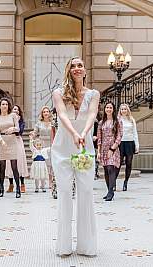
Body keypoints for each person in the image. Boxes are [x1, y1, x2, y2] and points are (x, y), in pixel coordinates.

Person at [51, 56, 100, 257]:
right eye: (73, 66)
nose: (77, 68)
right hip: (63, 147)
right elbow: (62, 115)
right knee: (64, 193)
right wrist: (73, 133)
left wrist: (84, 133)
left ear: (85, 71)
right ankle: (63, 246)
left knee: (86, 193)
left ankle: (86, 246)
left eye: (80, 65)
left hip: (84, 147)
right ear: (68, 71)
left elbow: (92, 115)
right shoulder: (59, 93)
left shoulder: (93, 94)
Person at [0, 98, 21, 198]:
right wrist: (1, 141)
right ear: (0, 106)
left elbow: (18, 128)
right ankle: (1, 189)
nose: (5, 106)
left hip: (12, 140)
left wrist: (13, 128)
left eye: (6, 104)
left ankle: (18, 189)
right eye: (3, 104)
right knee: (2, 167)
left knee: (14, 167)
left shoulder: (13, 116)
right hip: (2, 141)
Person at [97, 102, 123, 201]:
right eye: (107, 107)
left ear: (113, 109)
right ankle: (109, 190)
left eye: (110, 107)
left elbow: (119, 136)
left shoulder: (117, 121)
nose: (108, 109)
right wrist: (99, 151)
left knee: (111, 168)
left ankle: (111, 192)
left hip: (113, 148)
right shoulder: (101, 123)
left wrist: (113, 148)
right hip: (103, 148)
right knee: (106, 170)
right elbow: (99, 138)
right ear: (105, 109)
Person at [6, 105, 28, 193]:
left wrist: (13, 128)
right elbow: (5, 130)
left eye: (17, 110)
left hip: (18, 142)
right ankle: (11, 184)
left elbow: (20, 131)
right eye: (14, 109)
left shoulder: (21, 121)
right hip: (9, 141)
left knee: (19, 162)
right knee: (9, 163)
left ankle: (22, 184)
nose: (16, 110)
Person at [32, 106, 55, 189]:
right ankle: (42, 181)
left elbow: (56, 133)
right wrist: (32, 136)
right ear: (42, 113)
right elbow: (35, 133)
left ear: (49, 113)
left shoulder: (53, 123)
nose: (46, 113)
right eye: (44, 112)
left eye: (47, 111)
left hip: (50, 144)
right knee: (43, 163)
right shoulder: (38, 123)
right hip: (41, 145)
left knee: (50, 163)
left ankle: (50, 181)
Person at [118, 103, 139, 191]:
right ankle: (113, 182)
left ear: (127, 110)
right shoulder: (117, 120)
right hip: (120, 143)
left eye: (125, 109)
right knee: (118, 164)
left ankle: (126, 182)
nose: (123, 111)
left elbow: (135, 133)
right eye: (122, 109)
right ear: (120, 111)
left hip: (130, 143)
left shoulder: (131, 120)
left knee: (129, 163)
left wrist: (137, 145)